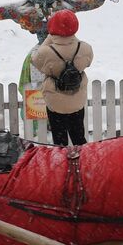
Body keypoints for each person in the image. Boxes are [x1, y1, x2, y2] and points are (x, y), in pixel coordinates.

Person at [30, 10, 94, 147]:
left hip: (55, 103)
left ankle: (61, 164)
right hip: (77, 101)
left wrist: (49, 38)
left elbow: (35, 60)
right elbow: (88, 62)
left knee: (60, 143)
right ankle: (83, 163)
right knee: (79, 138)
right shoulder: (85, 48)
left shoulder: (46, 52)